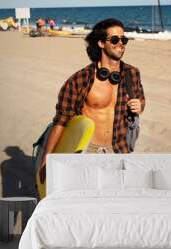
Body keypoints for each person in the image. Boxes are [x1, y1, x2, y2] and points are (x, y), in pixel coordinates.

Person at [39, 18, 145, 183]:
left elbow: (141, 101)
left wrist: (140, 105)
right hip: (86, 151)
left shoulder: (132, 73)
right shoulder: (80, 80)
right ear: (101, 43)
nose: (121, 44)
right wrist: (46, 159)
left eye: (123, 39)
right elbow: (61, 121)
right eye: (115, 40)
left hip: (118, 150)